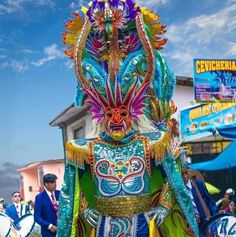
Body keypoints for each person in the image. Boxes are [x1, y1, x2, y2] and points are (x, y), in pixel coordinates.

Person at [57, 0, 200, 236]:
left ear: (133, 112)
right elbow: (72, 190)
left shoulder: (153, 142)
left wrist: (164, 206)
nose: (115, 119)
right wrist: (84, 209)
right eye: (109, 113)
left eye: (122, 113)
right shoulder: (84, 148)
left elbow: (172, 180)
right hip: (104, 224)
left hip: (143, 223)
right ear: (99, 115)